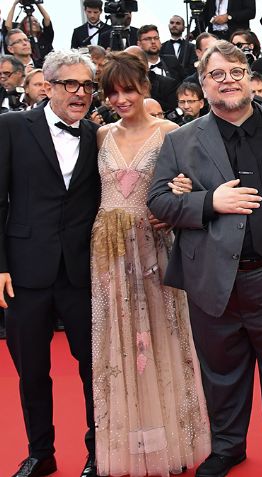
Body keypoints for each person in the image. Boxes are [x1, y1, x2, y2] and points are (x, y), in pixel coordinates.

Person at [147, 39, 262, 477]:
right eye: (216, 74)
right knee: (220, 374)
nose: (228, 81)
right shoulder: (180, 139)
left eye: (236, 71)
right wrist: (207, 203)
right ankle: (227, 446)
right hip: (210, 282)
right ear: (203, 85)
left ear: (252, 79)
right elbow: (159, 201)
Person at [90, 50, 211, 477]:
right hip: (107, 250)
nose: (120, 99)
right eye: (112, 92)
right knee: (118, 342)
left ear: (144, 87)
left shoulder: (170, 132)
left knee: (162, 335)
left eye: (128, 90)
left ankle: (173, 440)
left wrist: (176, 197)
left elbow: (190, 185)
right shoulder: (102, 135)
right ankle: (130, 445)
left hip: (154, 245)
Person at [0, 48, 101, 477]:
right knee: (33, 372)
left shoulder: (99, 135)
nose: (80, 94)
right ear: (48, 85)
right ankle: (41, 452)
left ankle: (99, 452)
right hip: (24, 272)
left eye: (88, 86)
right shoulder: (10, 128)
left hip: (83, 271)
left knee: (95, 370)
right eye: (70, 84)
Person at [4, 0, 53, 66]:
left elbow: (47, 18)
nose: (33, 23)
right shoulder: (23, 39)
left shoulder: (45, 37)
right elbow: (8, 26)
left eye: (35, 21)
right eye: (28, 22)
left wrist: (36, 2)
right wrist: (14, 4)